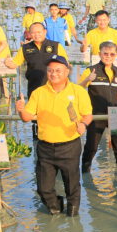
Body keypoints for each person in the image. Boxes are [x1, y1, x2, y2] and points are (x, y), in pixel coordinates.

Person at [16, 55, 93, 216]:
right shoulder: (39, 92)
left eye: (58, 70)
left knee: (72, 185)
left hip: (70, 145)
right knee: (43, 188)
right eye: (50, 70)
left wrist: (83, 125)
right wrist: (21, 110)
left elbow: (87, 115)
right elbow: (27, 117)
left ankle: (73, 216)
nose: (53, 74)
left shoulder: (78, 91)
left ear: (67, 71)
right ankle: (56, 207)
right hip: (45, 147)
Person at [79, 42, 117, 172]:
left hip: (116, 114)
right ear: (99, 54)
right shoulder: (90, 70)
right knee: (91, 146)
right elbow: (78, 90)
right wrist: (87, 79)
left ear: (115, 55)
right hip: (97, 115)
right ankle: (85, 171)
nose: (108, 56)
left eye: (111, 54)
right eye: (105, 54)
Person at [5, 21, 68, 97]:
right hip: (34, 87)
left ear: (45, 32)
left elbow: (66, 65)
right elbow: (15, 64)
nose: (36, 35)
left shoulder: (56, 46)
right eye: (33, 33)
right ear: (30, 34)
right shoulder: (25, 48)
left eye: (39, 32)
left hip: (54, 87)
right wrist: (7, 63)